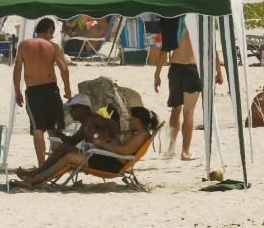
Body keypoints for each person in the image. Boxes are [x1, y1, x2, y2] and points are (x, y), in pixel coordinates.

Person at [12, 106, 159, 190]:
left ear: (137, 120)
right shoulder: (136, 133)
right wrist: (109, 142)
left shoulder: (142, 135)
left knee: (69, 158)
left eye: (130, 119)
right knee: (66, 150)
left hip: (111, 164)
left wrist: (102, 144)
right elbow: (121, 146)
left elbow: (125, 151)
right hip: (107, 158)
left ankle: (36, 181)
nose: (128, 121)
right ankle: (37, 175)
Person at [154, 17, 223, 161]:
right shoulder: (200, 23)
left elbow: (164, 50)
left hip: (176, 68)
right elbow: (212, 48)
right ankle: (185, 152)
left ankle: (171, 149)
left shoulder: (173, 21)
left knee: (175, 109)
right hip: (192, 68)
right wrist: (219, 72)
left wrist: (157, 74)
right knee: (189, 112)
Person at [15, 94, 119, 180]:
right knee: (64, 147)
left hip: (100, 158)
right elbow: (73, 141)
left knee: (64, 147)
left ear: (82, 108)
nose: (70, 111)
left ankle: (37, 173)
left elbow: (113, 125)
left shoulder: (94, 119)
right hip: (90, 155)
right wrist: (61, 135)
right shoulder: (85, 124)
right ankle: (39, 173)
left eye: (73, 108)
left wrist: (112, 141)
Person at [13, 17, 72, 166]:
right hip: (51, 89)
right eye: (52, 34)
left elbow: (18, 68)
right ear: (49, 31)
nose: (52, 37)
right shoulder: (53, 47)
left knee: (37, 128)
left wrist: (17, 91)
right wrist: (67, 88)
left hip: (33, 90)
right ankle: (52, 164)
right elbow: (63, 68)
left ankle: (42, 165)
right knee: (55, 128)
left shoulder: (24, 45)